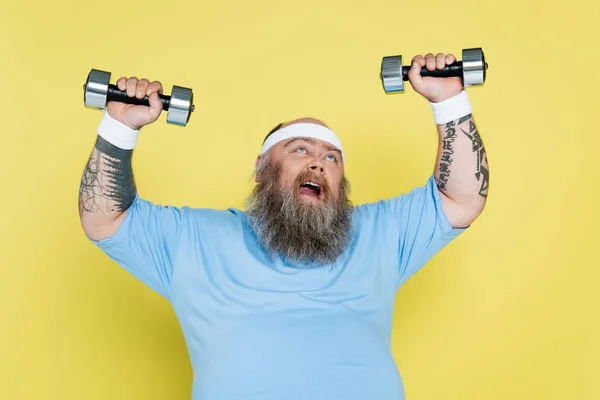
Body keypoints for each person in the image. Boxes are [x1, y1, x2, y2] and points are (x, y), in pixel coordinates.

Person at [78, 52, 489, 400]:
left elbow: (461, 198)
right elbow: (104, 218)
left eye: (332, 158)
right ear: (262, 169)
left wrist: (449, 100)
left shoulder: (378, 232)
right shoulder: (195, 240)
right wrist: (119, 127)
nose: (318, 162)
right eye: (300, 149)